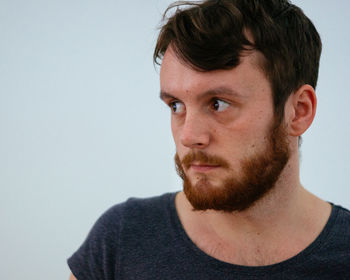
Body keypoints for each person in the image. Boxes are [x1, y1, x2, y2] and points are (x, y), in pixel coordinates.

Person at [68, 0, 350, 279]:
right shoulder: (120, 239)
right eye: (176, 106)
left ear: (299, 112)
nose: (189, 137)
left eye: (218, 104)